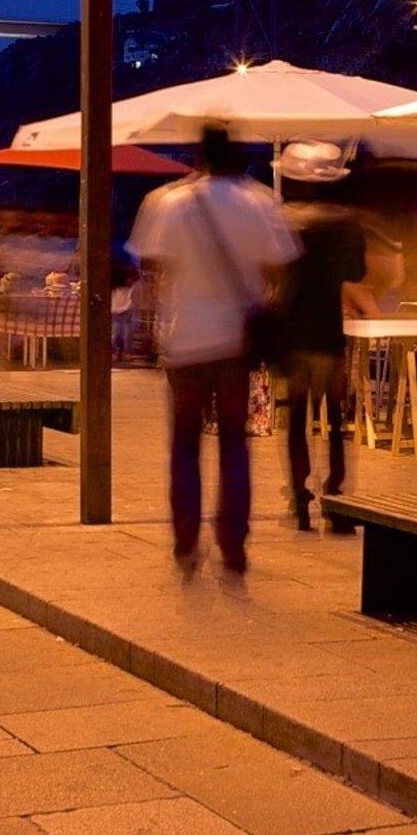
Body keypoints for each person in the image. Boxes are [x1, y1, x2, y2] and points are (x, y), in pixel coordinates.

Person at [128, 125, 299, 576]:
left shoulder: (167, 202)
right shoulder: (261, 201)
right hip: (237, 341)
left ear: (196, 156)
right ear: (240, 157)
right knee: (233, 443)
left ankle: (186, 540)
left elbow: (151, 270)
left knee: (184, 444)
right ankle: (233, 545)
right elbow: (281, 270)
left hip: (185, 339)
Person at [272, 161, 372, 532]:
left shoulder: (282, 221)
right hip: (329, 333)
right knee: (335, 421)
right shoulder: (345, 223)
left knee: (297, 422)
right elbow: (357, 273)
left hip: (293, 334)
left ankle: (300, 497)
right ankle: (337, 499)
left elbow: (270, 268)